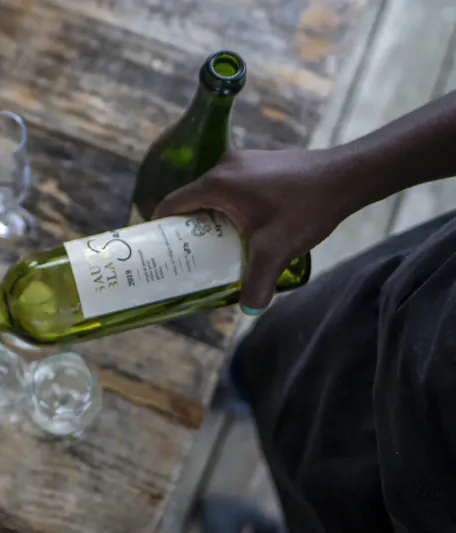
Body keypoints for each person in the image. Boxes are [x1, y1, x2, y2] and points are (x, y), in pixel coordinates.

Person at [153, 90, 456, 533]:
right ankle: (249, 381)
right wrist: (344, 172)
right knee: (287, 349)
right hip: (427, 294)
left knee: (332, 511)